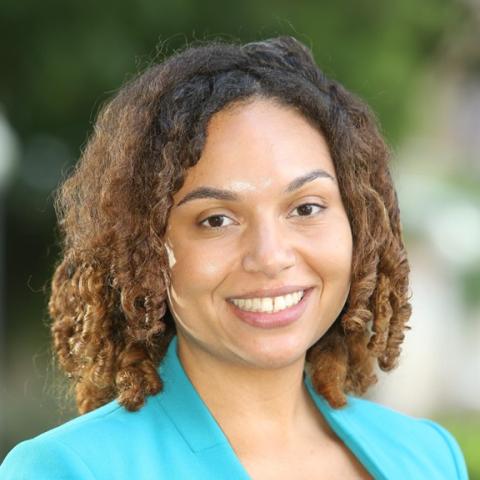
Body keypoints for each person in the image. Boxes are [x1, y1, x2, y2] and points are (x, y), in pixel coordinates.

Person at [0, 36, 468, 479]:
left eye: (306, 208)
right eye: (216, 220)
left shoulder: (428, 456)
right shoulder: (71, 469)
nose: (270, 256)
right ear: (146, 251)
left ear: (358, 229)